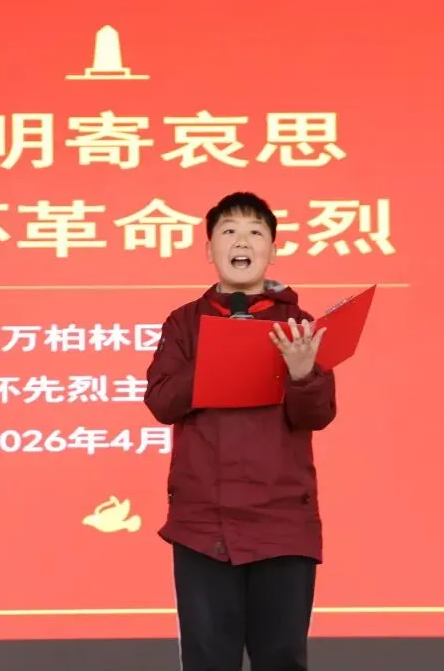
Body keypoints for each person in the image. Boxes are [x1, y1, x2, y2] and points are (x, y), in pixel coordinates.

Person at [144, 191, 337, 671]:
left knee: (282, 659)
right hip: (203, 528)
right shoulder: (184, 324)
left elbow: (317, 415)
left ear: (272, 248)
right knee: (208, 661)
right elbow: (161, 403)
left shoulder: (298, 325)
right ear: (209, 248)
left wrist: (302, 374)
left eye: (255, 232)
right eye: (228, 231)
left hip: (282, 524)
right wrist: (220, 352)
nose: (242, 241)